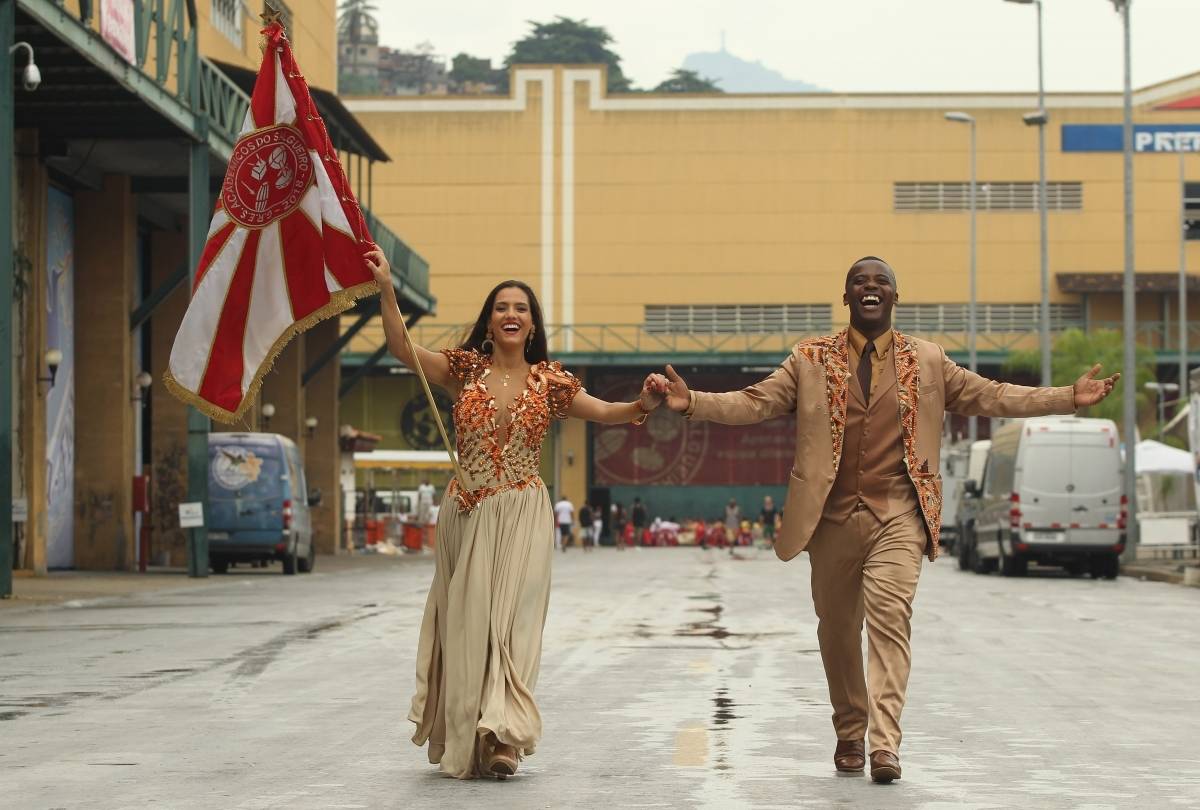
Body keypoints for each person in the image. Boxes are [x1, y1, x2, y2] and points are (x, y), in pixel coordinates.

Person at [661, 256, 1118, 784]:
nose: (870, 288)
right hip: (830, 519)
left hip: (899, 514)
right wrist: (690, 401)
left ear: (895, 298)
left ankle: (884, 744)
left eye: (880, 283)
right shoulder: (808, 360)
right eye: (860, 282)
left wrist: (1065, 398)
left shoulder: (928, 361)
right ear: (847, 297)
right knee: (837, 632)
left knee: (889, 619)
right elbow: (754, 403)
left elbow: (993, 394)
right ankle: (849, 731)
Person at [368, 250, 669, 780]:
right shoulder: (462, 371)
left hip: (524, 513)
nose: (512, 314)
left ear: (532, 324)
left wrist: (643, 402)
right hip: (467, 512)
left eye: (522, 308)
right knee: (469, 628)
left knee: (513, 626)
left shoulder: (551, 383)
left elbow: (607, 411)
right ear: (489, 320)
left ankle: (504, 737)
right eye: (502, 306)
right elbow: (401, 347)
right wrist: (387, 289)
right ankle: (473, 729)